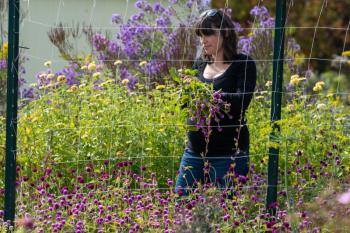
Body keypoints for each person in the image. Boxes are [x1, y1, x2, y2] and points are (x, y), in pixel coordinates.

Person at [175, 9, 257, 196]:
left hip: (228, 156)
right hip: (194, 154)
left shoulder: (243, 64)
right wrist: (187, 91)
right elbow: (185, 104)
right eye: (201, 35)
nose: (204, 40)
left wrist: (208, 96)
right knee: (181, 207)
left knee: (225, 214)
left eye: (209, 33)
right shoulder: (199, 64)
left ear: (225, 33)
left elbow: (241, 101)